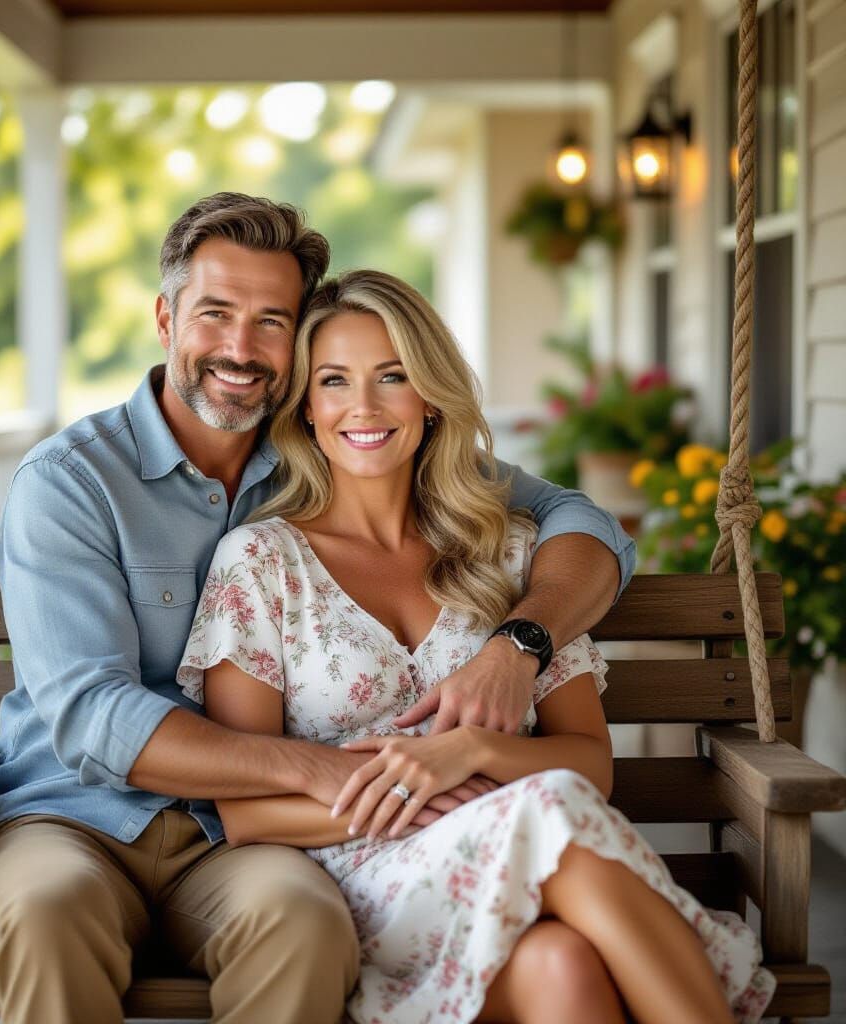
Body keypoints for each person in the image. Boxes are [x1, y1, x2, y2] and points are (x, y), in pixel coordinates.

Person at [0, 193, 636, 1024]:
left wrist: (518, 645)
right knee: (49, 914)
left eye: (272, 322)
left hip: (240, 841)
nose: (240, 349)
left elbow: (582, 522)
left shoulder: (330, 448)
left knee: (304, 926)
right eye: (215, 314)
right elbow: (91, 713)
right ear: (166, 319)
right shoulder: (73, 482)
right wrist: (325, 770)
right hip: (70, 818)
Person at [176, 269, 775, 1024]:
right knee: (548, 809)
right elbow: (247, 814)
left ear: (430, 397)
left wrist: (470, 754)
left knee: (563, 966)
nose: (364, 407)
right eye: (334, 381)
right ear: (306, 407)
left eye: (392, 376)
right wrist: (422, 796)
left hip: (525, 850)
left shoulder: (511, 553)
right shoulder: (261, 563)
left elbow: (591, 764)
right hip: (353, 881)